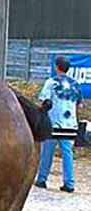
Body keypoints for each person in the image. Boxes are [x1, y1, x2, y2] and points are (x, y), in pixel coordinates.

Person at [35, 56, 83, 193]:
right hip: (70, 125)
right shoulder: (75, 84)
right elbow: (79, 105)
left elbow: (45, 101)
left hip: (54, 123)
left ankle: (42, 179)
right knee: (67, 153)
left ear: (57, 67)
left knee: (47, 152)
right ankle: (69, 183)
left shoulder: (51, 82)